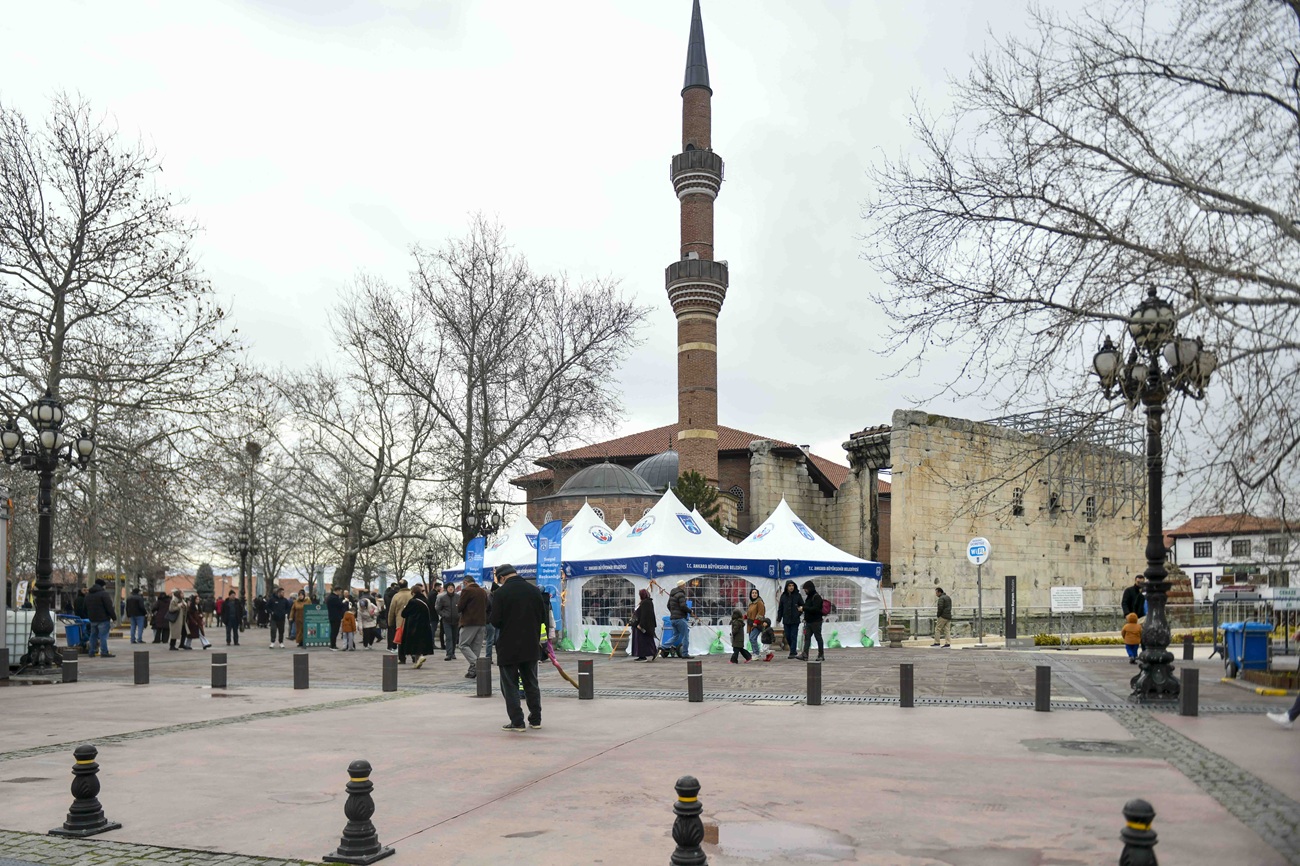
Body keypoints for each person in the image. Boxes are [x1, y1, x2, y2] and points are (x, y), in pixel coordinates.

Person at [488, 564, 547, 732]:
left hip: (508, 645)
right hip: (530, 644)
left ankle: (517, 721)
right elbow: (543, 617)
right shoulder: (534, 591)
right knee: (531, 683)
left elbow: (495, 620)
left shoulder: (500, 593)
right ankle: (536, 719)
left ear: (502, 577)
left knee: (510, 684)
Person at [457, 575, 489, 679]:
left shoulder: (467, 591)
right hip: (481, 622)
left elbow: (460, 606)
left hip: (469, 622)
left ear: (465, 582)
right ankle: (472, 671)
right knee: (476, 648)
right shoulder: (483, 591)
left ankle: (478, 664)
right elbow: (488, 606)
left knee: (463, 645)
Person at [400, 584, 435, 668]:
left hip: (414, 626)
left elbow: (404, 614)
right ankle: (418, 660)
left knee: (414, 644)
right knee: (421, 643)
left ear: (413, 592)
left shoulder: (413, 601)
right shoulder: (426, 600)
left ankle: (418, 659)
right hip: (425, 626)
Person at [84, 579, 117, 658]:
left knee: (93, 636)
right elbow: (109, 607)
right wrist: (114, 617)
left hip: (92, 619)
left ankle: (91, 652)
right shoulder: (104, 594)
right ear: (103, 585)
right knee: (103, 636)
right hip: (103, 619)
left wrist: (89, 616)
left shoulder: (88, 595)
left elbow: (84, 608)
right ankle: (104, 652)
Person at [797, 580, 826, 661]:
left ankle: (821, 654)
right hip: (808, 621)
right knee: (807, 638)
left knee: (818, 638)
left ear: (810, 588)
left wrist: (804, 608)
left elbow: (815, 609)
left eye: (806, 589)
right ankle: (805, 654)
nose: (805, 591)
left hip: (816, 621)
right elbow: (808, 607)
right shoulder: (809, 597)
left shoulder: (816, 597)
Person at [663, 579, 692, 659]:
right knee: (685, 636)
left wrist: (673, 613)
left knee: (676, 635)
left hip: (673, 618)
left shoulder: (672, 594)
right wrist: (690, 611)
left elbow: (668, 605)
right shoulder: (681, 594)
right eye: (684, 585)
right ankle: (685, 653)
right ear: (682, 586)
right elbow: (683, 606)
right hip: (680, 618)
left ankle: (663, 646)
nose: (685, 587)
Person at [777, 580, 803, 659]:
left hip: (795, 620)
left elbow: (802, 606)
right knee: (788, 636)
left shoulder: (797, 595)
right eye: (789, 586)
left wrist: (798, 614)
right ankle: (793, 648)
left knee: (793, 635)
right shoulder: (783, 596)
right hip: (786, 619)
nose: (791, 587)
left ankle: (792, 652)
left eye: (792, 586)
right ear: (787, 587)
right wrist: (779, 618)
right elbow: (780, 608)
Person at [435, 581, 460, 661]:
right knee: (449, 637)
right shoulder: (443, 598)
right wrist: (443, 615)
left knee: (454, 637)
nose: (451, 589)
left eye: (452, 587)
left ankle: (453, 653)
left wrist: (459, 615)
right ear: (447, 589)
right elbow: (438, 608)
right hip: (446, 621)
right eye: (449, 587)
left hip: (456, 620)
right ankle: (449, 654)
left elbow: (462, 607)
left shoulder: (458, 597)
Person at [387, 582, 413, 657]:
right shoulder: (411, 594)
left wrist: (390, 622)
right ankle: (413, 655)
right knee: (410, 638)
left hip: (400, 621)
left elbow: (391, 611)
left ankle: (401, 657)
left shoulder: (396, 596)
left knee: (401, 639)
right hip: (411, 620)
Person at [631, 588, 658, 661]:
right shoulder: (644, 602)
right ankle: (642, 655)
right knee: (644, 641)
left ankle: (646, 654)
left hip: (643, 625)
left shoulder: (646, 603)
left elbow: (645, 615)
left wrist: (641, 624)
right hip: (640, 625)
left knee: (643, 641)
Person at [326, 586, 346, 650]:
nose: (340, 593)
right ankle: (332, 645)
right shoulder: (334, 598)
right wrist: (345, 602)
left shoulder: (330, 597)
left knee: (333, 631)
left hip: (332, 616)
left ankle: (333, 644)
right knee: (334, 631)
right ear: (337, 590)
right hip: (335, 617)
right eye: (340, 591)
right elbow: (340, 605)